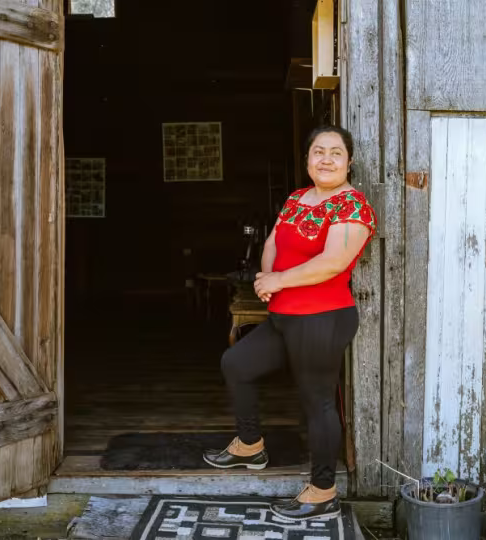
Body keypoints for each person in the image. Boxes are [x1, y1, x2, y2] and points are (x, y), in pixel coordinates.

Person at [203, 126, 376, 521]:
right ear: (307, 160)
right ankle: (250, 445)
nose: (327, 159)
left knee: (317, 402)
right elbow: (273, 242)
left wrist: (279, 280)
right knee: (237, 364)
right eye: (319, 151)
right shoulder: (298, 198)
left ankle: (323, 491)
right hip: (285, 316)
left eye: (336, 153)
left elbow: (333, 262)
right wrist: (266, 282)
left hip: (322, 318)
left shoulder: (352, 206)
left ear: (349, 161)